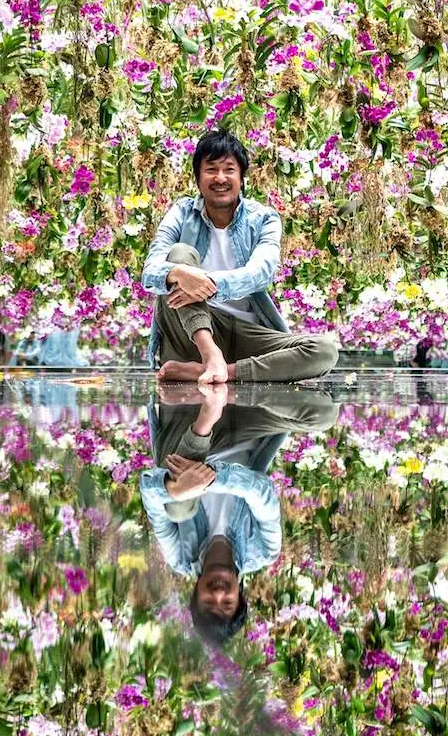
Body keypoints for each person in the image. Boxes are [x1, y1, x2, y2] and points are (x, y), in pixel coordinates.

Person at [139, 382, 337, 647]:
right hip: (247, 427)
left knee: (177, 507)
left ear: (195, 594)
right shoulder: (264, 550)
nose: (218, 594)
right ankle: (236, 378)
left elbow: (149, 491)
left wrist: (177, 488)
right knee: (325, 412)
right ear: (240, 597)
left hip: (190, 430)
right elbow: (261, 491)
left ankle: (207, 404)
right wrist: (208, 479)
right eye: (227, 604)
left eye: (209, 603)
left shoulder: (180, 556)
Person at [140, 130, 339, 383]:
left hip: (248, 332)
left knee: (324, 351)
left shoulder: (263, 218)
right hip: (193, 335)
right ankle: (210, 355)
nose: (220, 178)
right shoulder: (181, 213)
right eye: (211, 169)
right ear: (198, 178)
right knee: (179, 255)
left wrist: (208, 286)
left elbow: (260, 273)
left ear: (242, 178)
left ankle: (223, 371)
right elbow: (150, 271)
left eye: (229, 169)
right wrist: (179, 273)